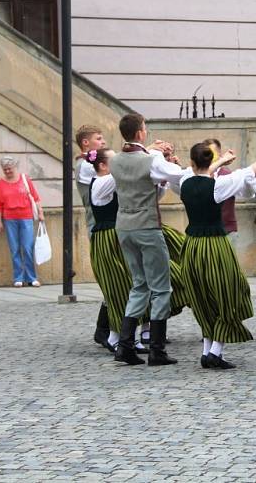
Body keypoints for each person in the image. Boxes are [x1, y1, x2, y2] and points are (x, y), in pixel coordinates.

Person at [179, 143, 256, 369]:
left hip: (192, 246)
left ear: (192, 162)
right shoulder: (218, 186)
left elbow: (200, 173)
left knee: (203, 297)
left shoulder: (185, 182)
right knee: (228, 294)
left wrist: (220, 161)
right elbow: (249, 171)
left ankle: (207, 350)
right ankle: (215, 350)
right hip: (215, 245)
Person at [110, 113, 185, 366]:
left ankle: (125, 345)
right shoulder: (150, 160)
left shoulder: (115, 160)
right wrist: (170, 160)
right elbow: (175, 175)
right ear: (141, 133)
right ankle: (157, 349)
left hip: (124, 226)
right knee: (161, 287)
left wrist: (155, 157)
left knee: (139, 284)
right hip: (147, 226)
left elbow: (153, 184)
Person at [86, 148, 132, 353]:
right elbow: (122, 174)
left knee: (128, 285)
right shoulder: (101, 183)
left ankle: (124, 334)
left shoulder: (110, 181)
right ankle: (114, 335)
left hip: (118, 235)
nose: (118, 164)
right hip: (107, 238)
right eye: (115, 161)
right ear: (103, 165)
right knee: (116, 287)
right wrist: (143, 153)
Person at [74, 124, 113, 350]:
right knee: (111, 277)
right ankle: (105, 330)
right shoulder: (84, 167)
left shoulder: (93, 163)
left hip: (109, 225)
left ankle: (107, 329)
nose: (103, 142)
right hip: (98, 227)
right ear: (86, 143)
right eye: (99, 139)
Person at [0, 155, 43, 288]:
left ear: (15, 167)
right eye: (5, 169)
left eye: (9, 169)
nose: (7, 171)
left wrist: (40, 213)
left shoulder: (25, 179)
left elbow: (36, 197)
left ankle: (31, 277)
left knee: (27, 247)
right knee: (14, 249)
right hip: (9, 218)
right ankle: (18, 277)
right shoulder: (0, 183)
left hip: (26, 216)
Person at [203, 138, 239, 236]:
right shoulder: (199, 175)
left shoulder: (227, 175)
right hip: (206, 231)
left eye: (212, 153)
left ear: (219, 154)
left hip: (226, 230)